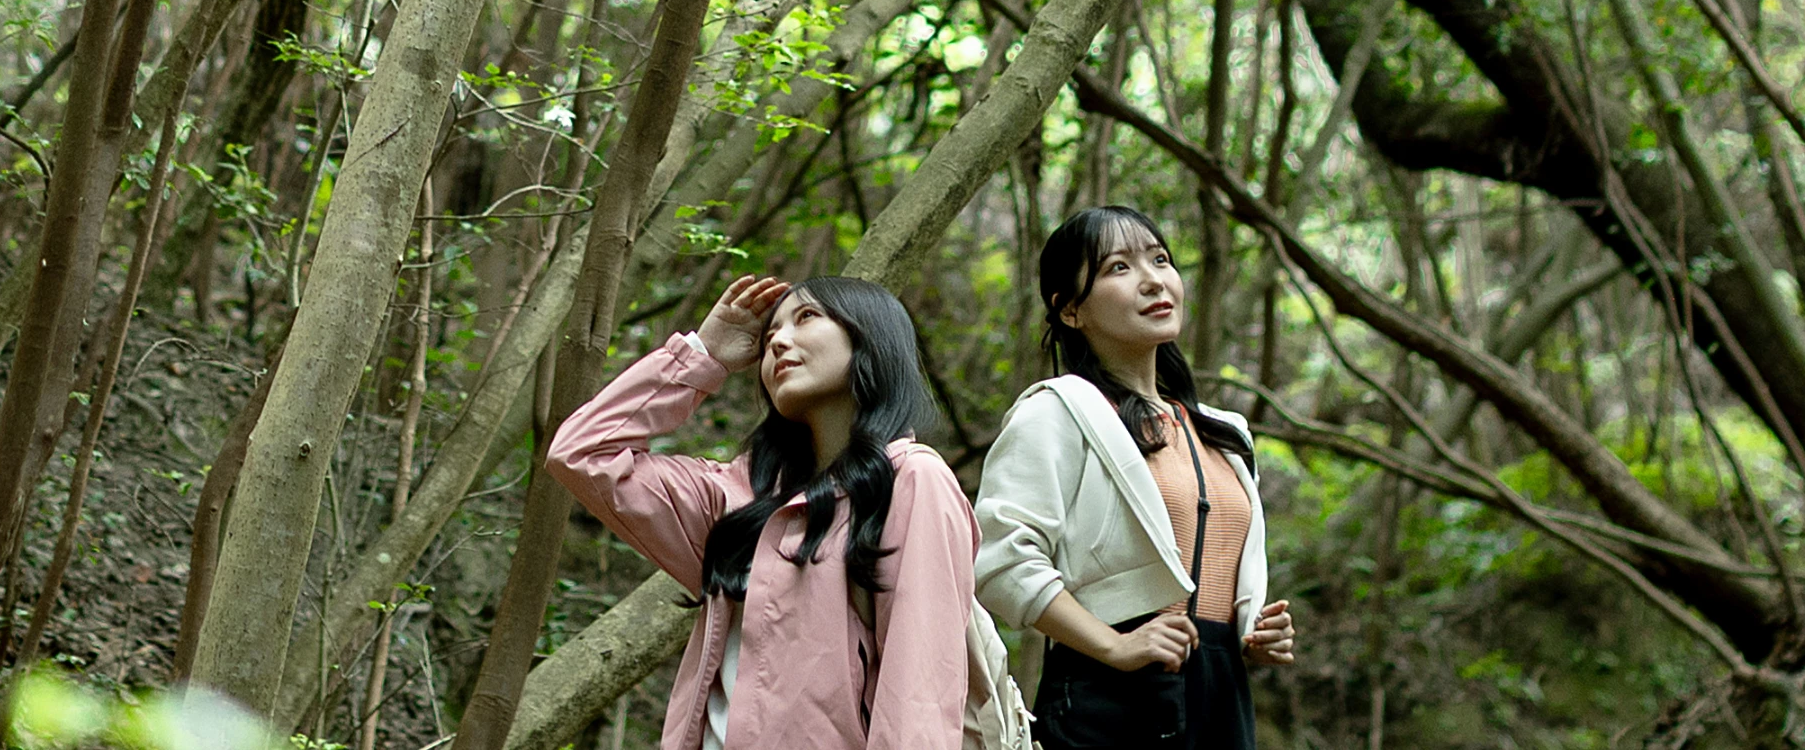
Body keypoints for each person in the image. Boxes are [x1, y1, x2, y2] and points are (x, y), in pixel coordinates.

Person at [546, 274, 978, 750]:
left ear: (870, 337)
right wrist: (703, 355)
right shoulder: (736, 501)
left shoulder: (912, 481)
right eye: (770, 334)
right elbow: (582, 454)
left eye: (807, 318)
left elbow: (919, 695)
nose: (778, 341)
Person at [971, 206, 1295, 750]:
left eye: (1160, 259)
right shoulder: (1056, 412)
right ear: (1070, 310)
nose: (1153, 280)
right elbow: (1001, 560)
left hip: (1221, 691)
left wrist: (1252, 630)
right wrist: (1114, 646)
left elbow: (1225, 574)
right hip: (1107, 691)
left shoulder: (1225, 433)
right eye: (1119, 268)